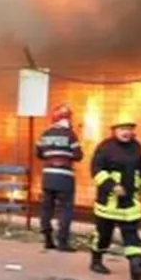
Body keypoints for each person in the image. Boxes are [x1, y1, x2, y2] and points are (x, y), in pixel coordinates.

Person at [88, 115, 141, 280]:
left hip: (130, 202)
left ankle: (136, 268)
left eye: (129, 129)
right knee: (104, 235)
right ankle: (96, 261)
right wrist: (112, 186)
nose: (126, 132)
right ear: (114, 131)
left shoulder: (136, 147)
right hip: (109, 202)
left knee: (132, 236)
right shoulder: (105, 147)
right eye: (122, 129)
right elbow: (96, 170)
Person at [35, 103, 84, 251]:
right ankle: (62, 242)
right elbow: (78, 155)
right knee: (65, 209)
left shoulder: (45, 134)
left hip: (48, 176)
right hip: (64, 176)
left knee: (46, 208)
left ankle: (47, 239)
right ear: (68, 119)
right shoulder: (70, 135)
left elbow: (38, 153)